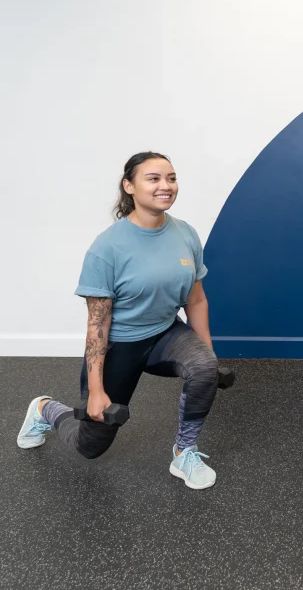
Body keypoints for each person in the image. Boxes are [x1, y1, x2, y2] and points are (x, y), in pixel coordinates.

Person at [16, 152, 223, 490]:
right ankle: (45, 409)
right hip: (119, 345)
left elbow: (196, 299)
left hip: (164, 334)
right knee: (90, 446)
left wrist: (208, 353)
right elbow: (97, 327)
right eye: (153, 178)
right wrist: (97, 391)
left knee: (204, 368)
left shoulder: (185, 233)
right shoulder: (107, 248)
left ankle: (184, 451)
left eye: (171, 178)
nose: (165, 186)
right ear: (129, 186)